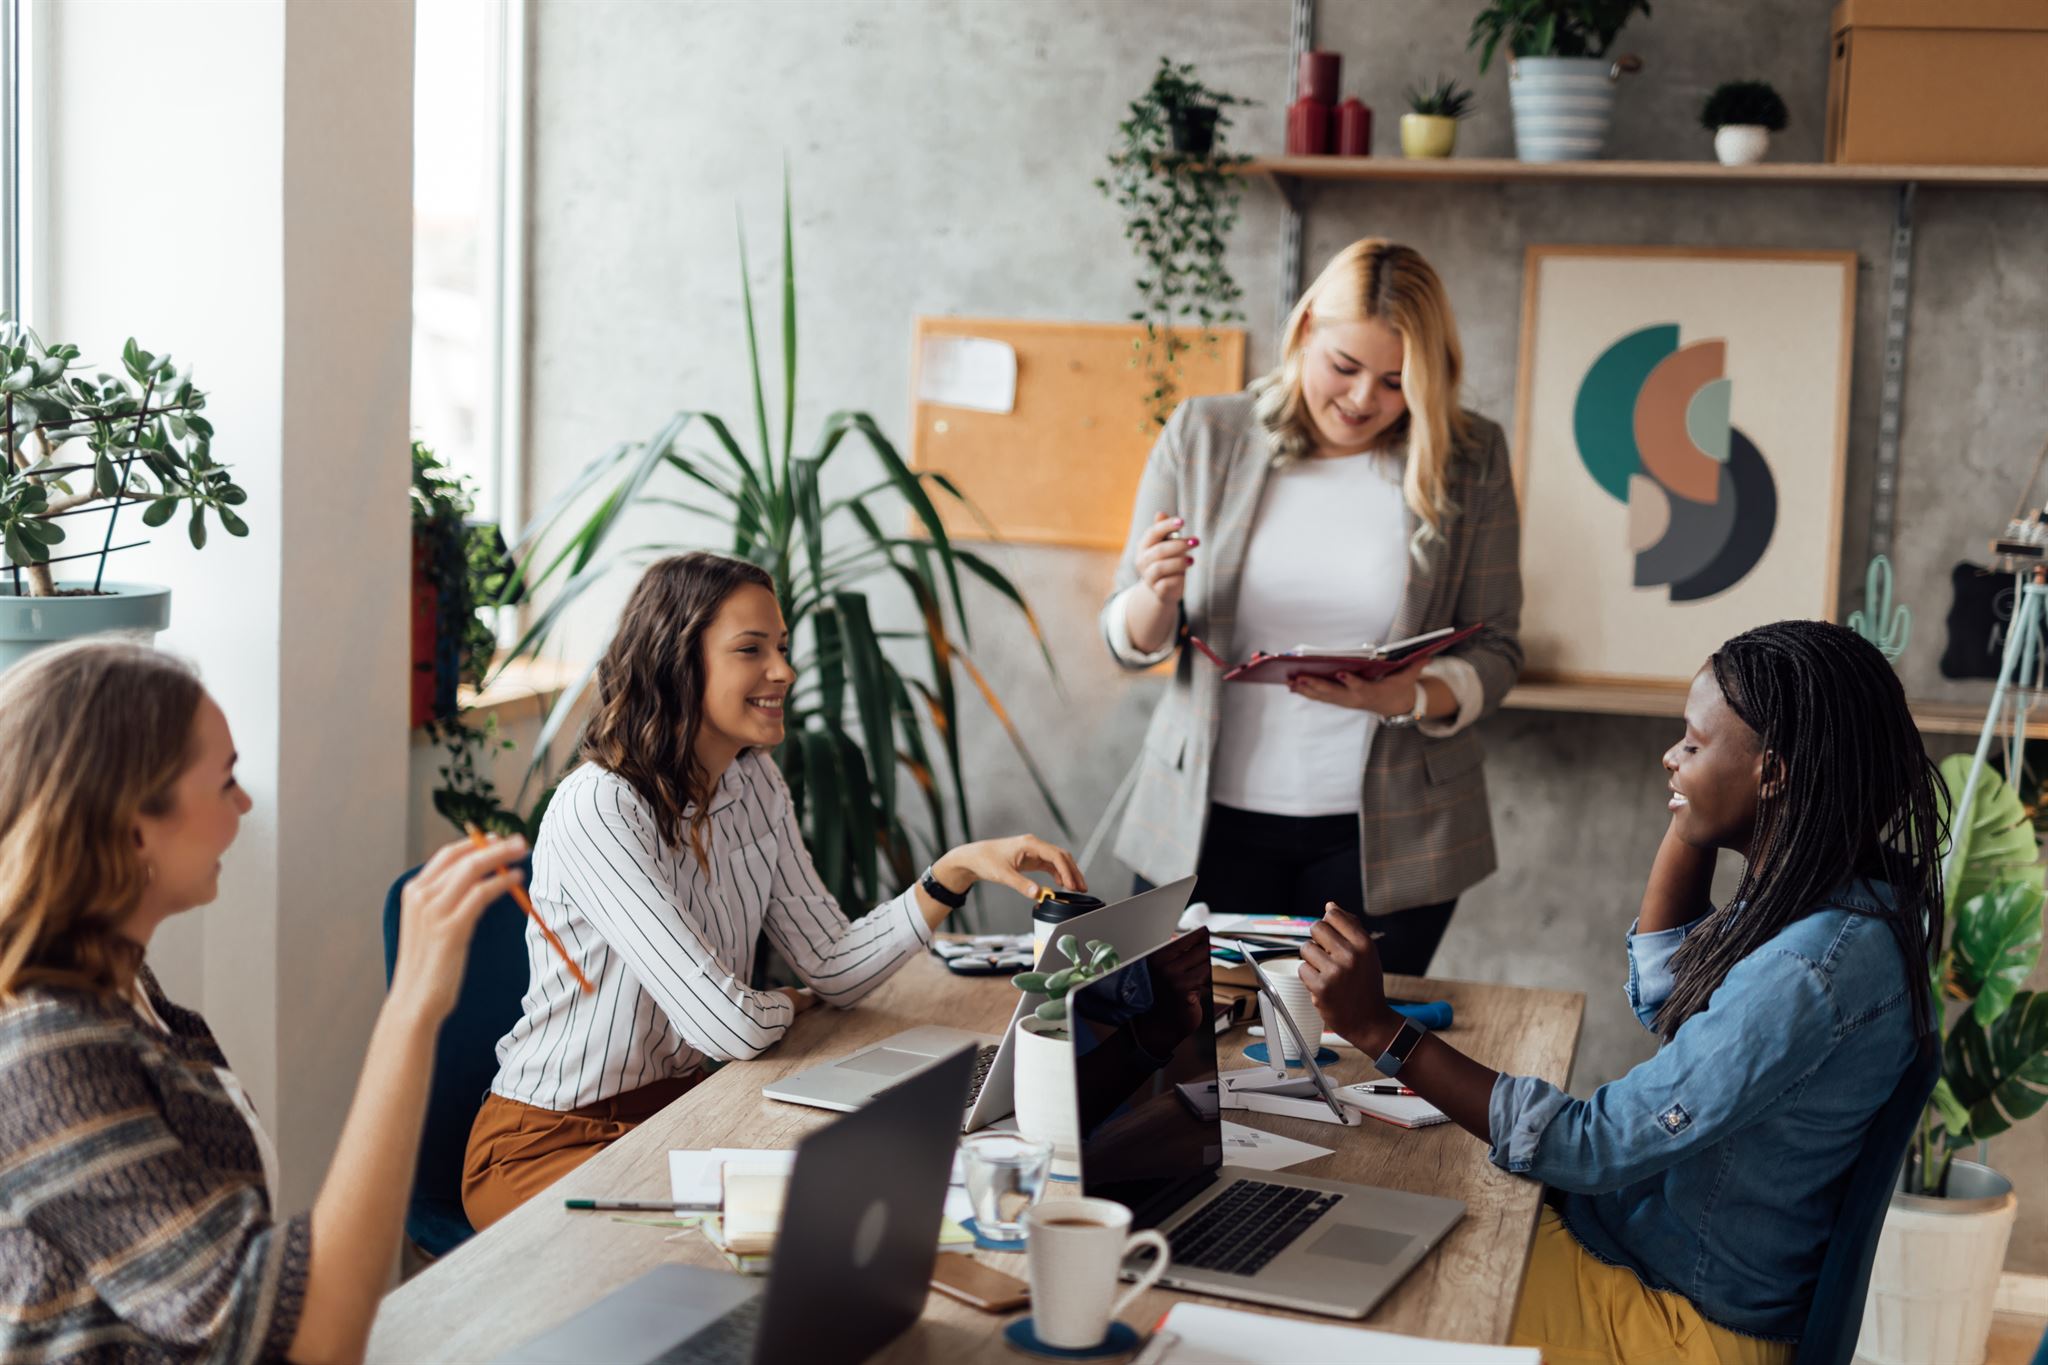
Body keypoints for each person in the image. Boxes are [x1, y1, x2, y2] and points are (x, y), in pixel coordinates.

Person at [1300, 620, 1944, 1365]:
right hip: (1648, 1262)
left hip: (1677, 1326)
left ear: (1775, 773)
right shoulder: (1837, 900)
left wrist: (1381, 1030)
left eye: (1694, 745)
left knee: (1368, 1291)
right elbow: (1670, 993)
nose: (1669, 758)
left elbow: (1590, 1144)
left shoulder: (1808, 970)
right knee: (1403, 1219)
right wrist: (1694, 808)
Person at [461, 551, 1084, 1230]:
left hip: (679, 1115)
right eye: (751, 649)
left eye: (782, 647)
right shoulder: (601, 807)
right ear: (679, 660)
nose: (784, 670)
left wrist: (951, 872)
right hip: (546, 1142)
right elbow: (728, 1026)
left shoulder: (754, 783)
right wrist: (783, 1001)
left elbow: (834, 965)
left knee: (868, 1195)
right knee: (795, 1227)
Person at [0, 639, 527, 1364]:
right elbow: (310, 1336)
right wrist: (412, 1006)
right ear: (132, 825)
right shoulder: (50, 1051)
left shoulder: (126, 990)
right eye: (225, 781)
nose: (246, 803)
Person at [1101, 237, 1523, 976]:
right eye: (1345, 367)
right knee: (1188, 1058)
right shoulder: (1205, 434)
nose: (1365, 400)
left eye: (1396, 381)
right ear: (1303, 335)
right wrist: (1152, 593)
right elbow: (1128, 638)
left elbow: (1499, 647)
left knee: (1347, 1064)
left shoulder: (1470, 455)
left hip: (1389, 841)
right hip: (1201, 825)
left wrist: (1412, 693)